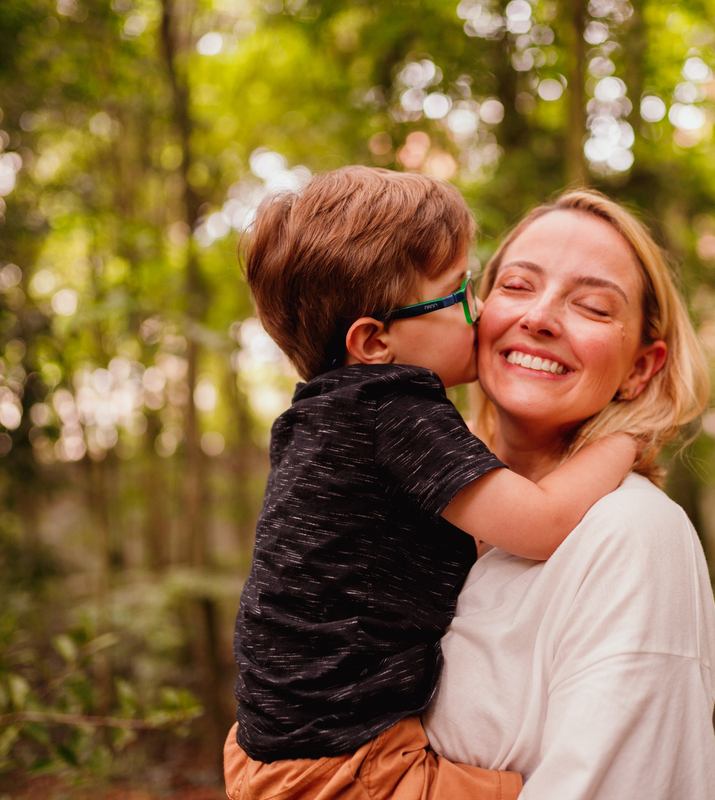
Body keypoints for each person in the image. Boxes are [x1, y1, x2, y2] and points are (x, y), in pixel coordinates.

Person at [225, 167, 639, 800]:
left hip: (272, 748)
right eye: (458, 295)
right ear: (374, 340)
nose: (478, 311)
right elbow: (542, 526)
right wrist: (624, 443)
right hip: (349, 763)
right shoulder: (394, 409)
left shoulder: (316, 414)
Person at [423, 190, 715, 799]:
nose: (539, 317)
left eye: (591, 306)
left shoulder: (634, 535)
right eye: (516, 285)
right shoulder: (424, 511)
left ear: (642, 368)